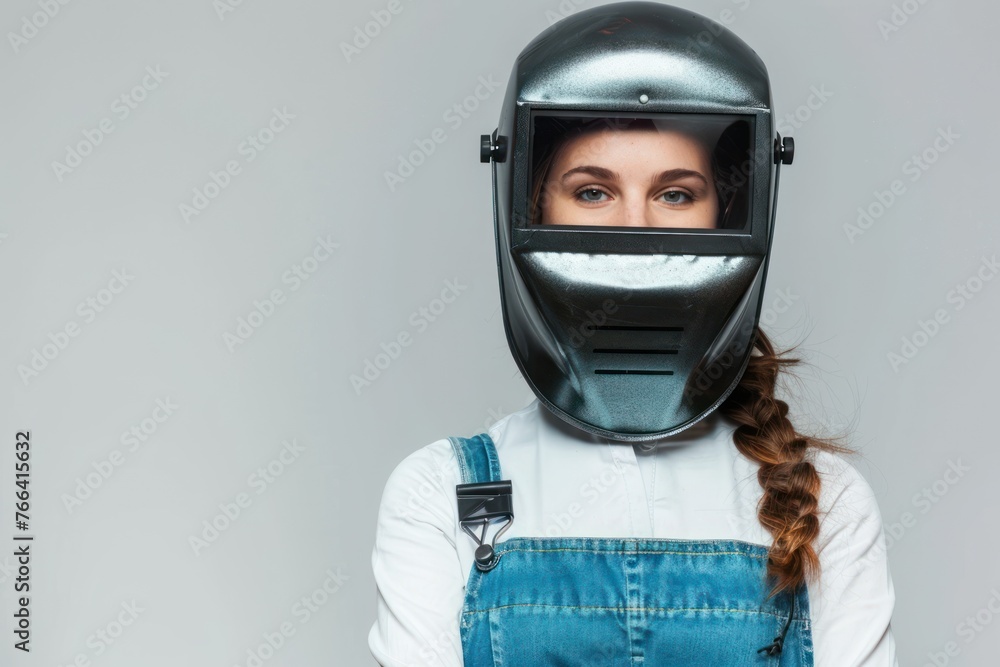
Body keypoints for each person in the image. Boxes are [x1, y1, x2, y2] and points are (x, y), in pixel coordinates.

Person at [368, 3, 898, 665]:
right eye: (592, 192)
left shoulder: (828, 500)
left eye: (676, 195)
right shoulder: (441, 491)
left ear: (727, 211)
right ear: (529, 205)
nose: (636, 229)